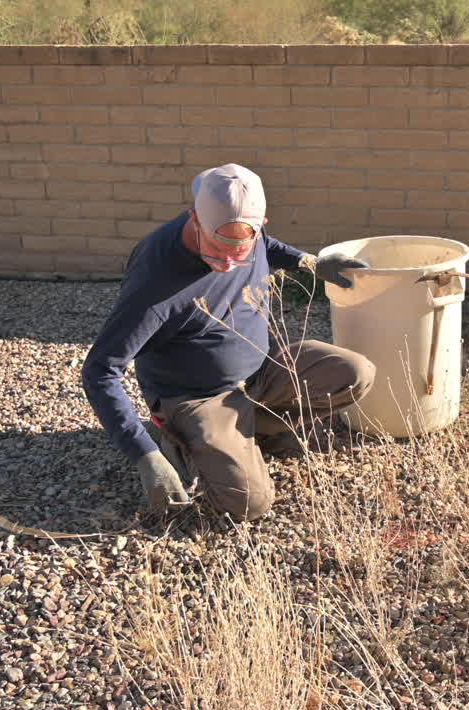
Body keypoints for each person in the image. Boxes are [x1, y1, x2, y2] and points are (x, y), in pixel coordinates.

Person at [82, 163, 374, 522]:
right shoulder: (156, 283)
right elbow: (99, 370)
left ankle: (252, 431)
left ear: (258, 227)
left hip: (261, 372)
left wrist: (310, 262)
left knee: (355, 373)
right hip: (197, 396)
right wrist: (145, 456)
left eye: (240, 249)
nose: (229, 262)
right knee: (250, 503)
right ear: (194, 219)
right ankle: (181, 440)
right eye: (218, 248)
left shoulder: (245, 233)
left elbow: (266, 247)